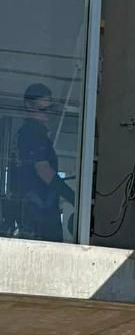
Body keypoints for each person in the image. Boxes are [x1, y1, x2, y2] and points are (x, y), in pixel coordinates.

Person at [16, 84, 75, 242]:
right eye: (43, 109)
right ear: (29, 106)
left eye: (50, 109)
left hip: (36, 211)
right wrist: (72, 196)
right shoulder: (33, 133)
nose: (48, 113)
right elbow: (43, 170)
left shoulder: (27, 133)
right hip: (40, 214)